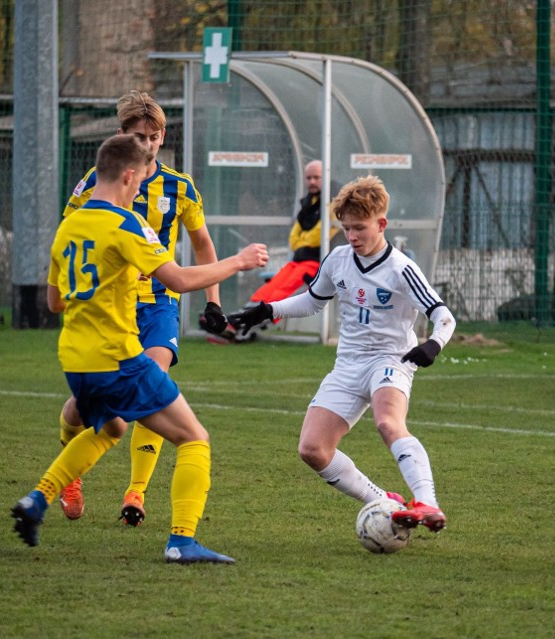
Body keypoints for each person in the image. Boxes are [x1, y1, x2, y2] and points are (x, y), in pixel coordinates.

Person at [10, 134, 268, 563]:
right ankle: (182, 541)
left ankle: (37, 500)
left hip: (75, 359)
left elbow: (55, 302)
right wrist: (239, 261)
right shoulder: (126, 223)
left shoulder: (68, 225)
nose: (138, 189)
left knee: (112, 428)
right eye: (137, 181)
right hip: (118, 357)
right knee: (194, 438)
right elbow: (180, 281)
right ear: (129, 176)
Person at [229, 175, 455, 532]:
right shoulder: (338, 259)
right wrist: (265, 309)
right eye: (346, 228)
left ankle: (427, 502)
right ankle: (384, 501)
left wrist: (433, 344)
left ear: (382, 224)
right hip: (348, 364)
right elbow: (312, 301)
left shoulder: (402, 269)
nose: (352, 236)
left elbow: (443, 315)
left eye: (360, 228)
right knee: (312, 449)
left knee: (387, 423)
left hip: (391, 361)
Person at [58, 90, 230, 526]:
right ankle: (69, 473)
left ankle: (136, 492)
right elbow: (70, 237)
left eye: (155, 137)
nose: (149, 145)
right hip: (109, 310)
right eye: (140, 136)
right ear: (122, 135)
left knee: (155, 381)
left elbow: (202, 243)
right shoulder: (94, 185)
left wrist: (213, 301)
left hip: (158, 304)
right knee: (87, 407)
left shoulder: (180, 186)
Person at [215, 159, 339, 342]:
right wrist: (302, 242)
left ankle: (245, 325)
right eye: (309, 178)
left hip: (317, 263)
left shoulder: (335, 202)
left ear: (326, 177)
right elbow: (294, 235)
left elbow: (320, 235)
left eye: (316, 177)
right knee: (273, 285)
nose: (312, 182)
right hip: (299, 260)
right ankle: (242, 315)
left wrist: (302, 241)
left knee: (285, 290)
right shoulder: (308, 203)